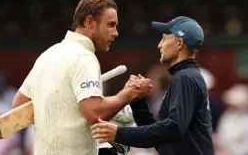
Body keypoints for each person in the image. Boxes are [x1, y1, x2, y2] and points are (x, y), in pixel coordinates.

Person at [11, 0, 152, 155]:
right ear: (89, 22)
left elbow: (18, 107)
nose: (115, 33)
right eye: (111, 25)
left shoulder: (47, 55)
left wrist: (63, 112)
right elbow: (94, 113)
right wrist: (128, 95)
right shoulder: (85, 57)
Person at [91, 16, 214, 155]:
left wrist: (119, 133)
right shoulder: (187, 76)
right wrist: (137, 100)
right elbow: (161, 139)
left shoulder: (185, 77)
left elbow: (173, 129)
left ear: (179, 43)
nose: (159, 45)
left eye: (164, 38)